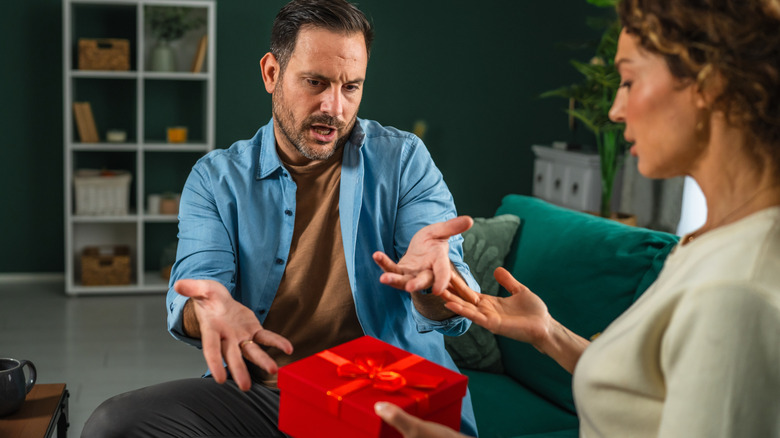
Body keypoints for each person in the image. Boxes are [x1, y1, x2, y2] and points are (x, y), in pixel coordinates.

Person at [373, 0, 780, 436]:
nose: (615, 110)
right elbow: (649, 398)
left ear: (709, 83)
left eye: (628, 80)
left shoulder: (735, 293)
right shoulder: (710, 240)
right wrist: (546, 333)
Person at [81, 0, 480, 436]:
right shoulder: (215, 179)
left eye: (351, 87)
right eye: (316, 82)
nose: (335, 108)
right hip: (267, 394)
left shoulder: (404, 161)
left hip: (385, 396)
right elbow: (199, 288)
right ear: (271, 73)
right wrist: (208, 308)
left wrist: (431, 287)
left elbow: (448, 301)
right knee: (113, 425)